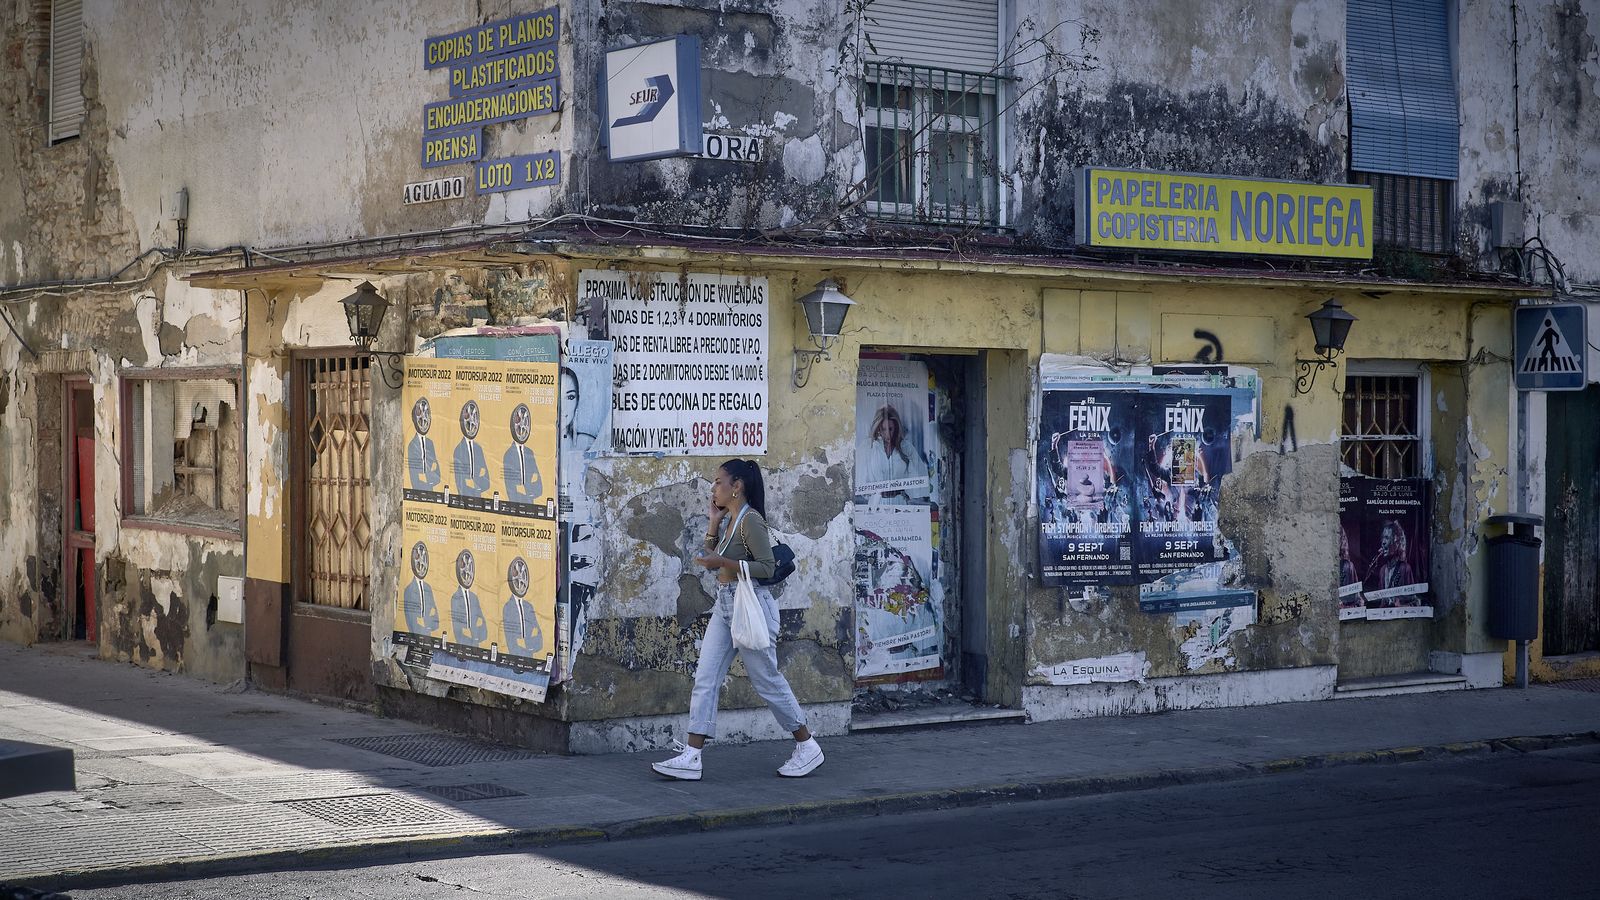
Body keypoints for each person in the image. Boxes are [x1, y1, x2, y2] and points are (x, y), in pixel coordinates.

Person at [652, 458, 823, 781]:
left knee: (766, 681)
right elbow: (714, 560)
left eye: (719, 482)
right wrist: (713, 525)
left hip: (750, 605)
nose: (713, 488)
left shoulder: (751, 521)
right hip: (725, 605)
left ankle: (807, 745)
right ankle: (692, 755)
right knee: (706, 677)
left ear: (737, 486)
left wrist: (722, 560)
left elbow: (767, 567)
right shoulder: (731, 518)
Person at [858, 403, 929, 502]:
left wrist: (908, 493)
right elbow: (860, 480)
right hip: (876, 504)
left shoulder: (906, 447)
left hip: (900, 503)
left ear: (896, 427)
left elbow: (920, 474)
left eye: (890, 429)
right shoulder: (868, 447)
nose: (888, 434)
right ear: (878, 428)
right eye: (883, 429)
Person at [502, 402, 543, 503]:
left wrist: (525, 490)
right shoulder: (508, 455)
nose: (522, 424)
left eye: (524, 421)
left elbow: (539, 486)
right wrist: (528, 490)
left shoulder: (530, 452)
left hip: (531, 504)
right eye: (518, 420)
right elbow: (510, 488)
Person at [452, 400, 491, 497]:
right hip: (465, 499)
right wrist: (477, 481)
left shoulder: (478, 449)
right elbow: (460, 482)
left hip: (478, 498)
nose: (471, 419)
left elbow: (487, 483)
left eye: (473, 416)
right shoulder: (458, 450)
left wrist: (473, 483)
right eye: (466, 415)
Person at [407, 398, 442, 491]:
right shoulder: (411, 446)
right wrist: (430, 477)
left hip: (431, 491)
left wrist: (427, 478)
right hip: (419, 493)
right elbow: (415, 480)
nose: (423, 416)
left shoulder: (430, 443)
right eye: (419, 412)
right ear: (414, 417)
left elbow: (438, 476)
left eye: (426, 413)